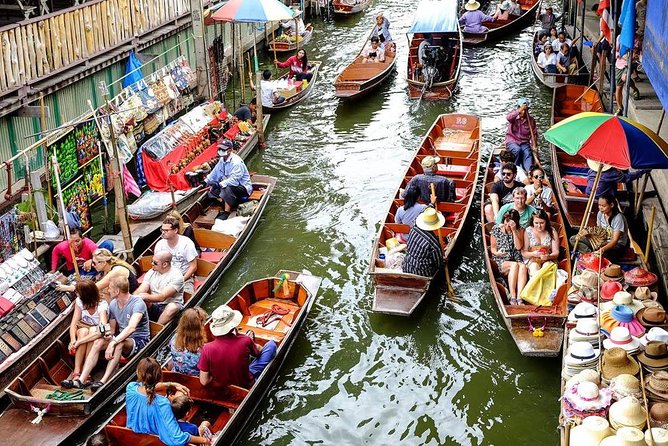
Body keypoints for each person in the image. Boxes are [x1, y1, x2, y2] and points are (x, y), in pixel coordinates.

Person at [76, 276, 150, 391]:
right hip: (121, 337)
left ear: (117, 291)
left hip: (139, 340)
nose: (107, 291)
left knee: (119, 343)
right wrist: (107, 335)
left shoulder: (137, 303)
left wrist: (113, 342)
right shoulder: (113, 304)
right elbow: (111, 328)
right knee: (98, 341)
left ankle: (103, 381)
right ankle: (81, 380)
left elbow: (131, 328)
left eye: (109, 288)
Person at [126, 358, 209, 445]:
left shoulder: (130, 388)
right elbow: (177, 438)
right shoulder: (162, 403)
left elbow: (146, 387)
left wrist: (172, 384)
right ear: (159, 376)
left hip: (135, 439)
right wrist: (204, 440)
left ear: (138, 372)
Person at [197, 305, 277, 388]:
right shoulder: (245, 340)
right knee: (271, 345)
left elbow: (204, 381)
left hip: (223, 389)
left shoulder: (206, 349)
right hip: (247, 384)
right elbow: (258, 352)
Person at [60, 280, 109, 388]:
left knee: (91, 331)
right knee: (83, 331)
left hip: (96, 334)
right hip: (84, 330)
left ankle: (86, 372)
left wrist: (78, 342)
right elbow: (73, 324)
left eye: (77, 292)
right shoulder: (79, 301)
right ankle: (77, 371)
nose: (76, 294)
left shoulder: (102, 305)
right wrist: (73, 340)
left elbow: (102, 329)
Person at [56, 248, 139, 300]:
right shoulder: (108, 269)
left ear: (103, 263)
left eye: (94, 263)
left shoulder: (116, 271)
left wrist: (69, 288)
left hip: (130, 297)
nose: (92, 265)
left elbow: (94, 288)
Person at [205, 139, 253, 221]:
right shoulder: (222, 159)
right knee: (211, 191)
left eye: (223, 149)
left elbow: (234, 181)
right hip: (227, 183)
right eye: (220, 149)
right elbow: (215, 171)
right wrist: (207, 181)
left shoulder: (236, 162)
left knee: (227, 187)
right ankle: (226, 201)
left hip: (241, 186)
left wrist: (220, 184)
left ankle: (226, 212)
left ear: (230, 150)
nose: (221, 151)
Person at [576, 193, 630, 262]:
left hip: (616, 246)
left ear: (611, 205)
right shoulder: (600, 213)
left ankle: (594, 256)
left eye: (603, 206)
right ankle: (591, 255)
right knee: (574, 239)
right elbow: (599, 231)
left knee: (606, 256)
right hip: (603, 241)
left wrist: (602, 250)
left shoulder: (618, 218)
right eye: (599, 205)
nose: (600, 208)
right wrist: (589, 234)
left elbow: (614, 241)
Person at [135, 251, 184, 324]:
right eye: (152, 261)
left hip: (169, 305)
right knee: (139, 301)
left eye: (155, 263)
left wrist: (145, 296)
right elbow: (143, 288)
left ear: (165, 264)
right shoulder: (151, 272)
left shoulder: (177, 276)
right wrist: (133, 297)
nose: (152, 264)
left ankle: (157, 329)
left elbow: (162, 297)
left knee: (172, 307)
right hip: (154, 304)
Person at [490, 209, 527, 304]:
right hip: (501, 260)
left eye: (510, 224)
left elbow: (519, 247)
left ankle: (519, 297)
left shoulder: (520, 229)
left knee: (522, 267)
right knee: (514, 265)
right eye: (506, 223)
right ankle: (513, 297)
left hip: (516, 258)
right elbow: (493, 249)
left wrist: (514, 231)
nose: (507, 226)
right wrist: (498, 253)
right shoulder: (496, 229)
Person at [156, 216, 198, 294]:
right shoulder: (159, 245)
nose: (163, 233)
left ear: (175, 230)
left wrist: (181, 280)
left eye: (166, 230)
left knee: (187, 296)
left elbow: (193, 266)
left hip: (184, 278)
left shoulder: (186, 243)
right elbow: (157, 265)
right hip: (165, 277)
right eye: (162, 230)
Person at [402, 208, 445, 278]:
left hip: (407, 266)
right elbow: (439, 264)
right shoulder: (434, 242)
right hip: (422, 273)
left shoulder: (413, 229)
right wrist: (444, 261)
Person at [169, 307, 208, 376]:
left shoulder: (174, 339)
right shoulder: (204, 351)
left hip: (178, 375)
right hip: (196, 380)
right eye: (202, 323)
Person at [522, 210, 560, 278]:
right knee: (534, 268)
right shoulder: (528, 231)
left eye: (542, 223)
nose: (539, 226)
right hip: (533, 259)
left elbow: (556, 252)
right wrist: (533, 254)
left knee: (547, 268)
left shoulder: (552, 231)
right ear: (532, 222)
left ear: (546, 222)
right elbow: (524, 252)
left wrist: (548, 256)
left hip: (549, 259)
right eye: (536, 223)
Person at [505, 98, 538, 173]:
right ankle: (513, 169)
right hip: (512, 140)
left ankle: (529, 171)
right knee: (517, 150)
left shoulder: (531, 120)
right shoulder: (514, 117)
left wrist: (534, 145)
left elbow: (534, 134)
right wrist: (520, 110)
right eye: (522, 110)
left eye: (525, 110)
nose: (523, 112)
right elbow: (508, 117)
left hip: (524, 142)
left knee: (527, 153)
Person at [614, 35, 640, 115]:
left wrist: (629, 57)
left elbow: (636, 54)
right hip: (619, 63)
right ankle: (620, 107)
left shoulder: (636, 39)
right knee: (618, 87)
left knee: (625, 78)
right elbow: (616, 50)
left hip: (630, 63)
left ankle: (635, 89)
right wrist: (618, 55)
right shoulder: (619, 37)